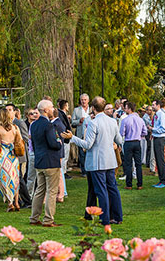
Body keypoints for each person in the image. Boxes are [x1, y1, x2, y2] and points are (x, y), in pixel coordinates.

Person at [63, 96, 124, 225]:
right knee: (112, 189)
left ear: (93, 108)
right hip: (110, 160)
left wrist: (72, 137)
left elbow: (87, 145)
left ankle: (105, 218)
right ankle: (117, 217)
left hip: (97, 162)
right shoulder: (112, 122)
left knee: (101, 191)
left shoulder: (93, 123)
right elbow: (119, 140)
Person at [29, 99, 63, 227]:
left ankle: (34, 217)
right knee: (51, 191)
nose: (53, 109)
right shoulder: (49, 125)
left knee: (39, 190)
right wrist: (59, 143)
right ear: (46, 110)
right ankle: (48, 219)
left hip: (39, 161)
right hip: (50, 161)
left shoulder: (34, 125)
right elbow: (53, 143)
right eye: (52, 107)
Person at [0, 107, 21, 212]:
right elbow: (19, 140)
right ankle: (16, 202)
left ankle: (10, 203)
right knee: (15, 178)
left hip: (4, 156)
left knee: (5, 178)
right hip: (14, 156)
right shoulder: (15, 128)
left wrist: (3, 142)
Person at [118, 101, 147, 189]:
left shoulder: (125, 120)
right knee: (138, 164)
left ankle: (129, 184)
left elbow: (121, 133)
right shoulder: (140, 120)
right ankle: (140, 184)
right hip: (137, 142)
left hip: (128, 142)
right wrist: (139, 135)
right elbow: (145, 132)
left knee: (128, 164)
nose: (124, 109)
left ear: (129, 109)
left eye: (126, 108)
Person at [11, 104, 31, 208]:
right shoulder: (4, 124)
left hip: (20, 155)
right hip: (10, 156)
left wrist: (15, 142)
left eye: (10, 110)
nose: (8, 112)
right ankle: (16, 200)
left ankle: (27, 200)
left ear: (15, 112)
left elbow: (26, 139)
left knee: (20, 178)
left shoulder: (19, 123)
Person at [151, 99, 165, 188]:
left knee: (160, 159)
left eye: (153, 105)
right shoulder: (157, 115)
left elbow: (163, 128)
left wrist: (153, 129)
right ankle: (161, 179)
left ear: (158, 105)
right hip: (156, 138)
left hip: (160, 138)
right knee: (158, 159)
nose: (152, 106)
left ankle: (164, 180)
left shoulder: (161, 115)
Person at [51, 106, 69, 202]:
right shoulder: (57, 123)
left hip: (57, 151)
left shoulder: (56, 124)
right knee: (58, 173)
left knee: (59, 174)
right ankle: (60, 193)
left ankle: (61, 194)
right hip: (58, 151)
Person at [71, 93, 90, 175]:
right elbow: (72, 122)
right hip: (80, 134)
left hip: (90, 133)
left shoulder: (92, 109)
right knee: (81, 154)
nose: (83, 101)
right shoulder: (76, 110)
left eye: (85, 100)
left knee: (89, 153)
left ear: (88, 100)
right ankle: (84, 171)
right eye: (82, 100)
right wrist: (79, 121)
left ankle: (90, 169)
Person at [57, 99, 71, 180]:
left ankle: (64, 171)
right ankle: (63, 172)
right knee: (64, 157)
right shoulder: (61, 114)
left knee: (65, 156)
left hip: (66, 138)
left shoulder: (63, 114)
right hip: (65, 138)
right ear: (65, 106)